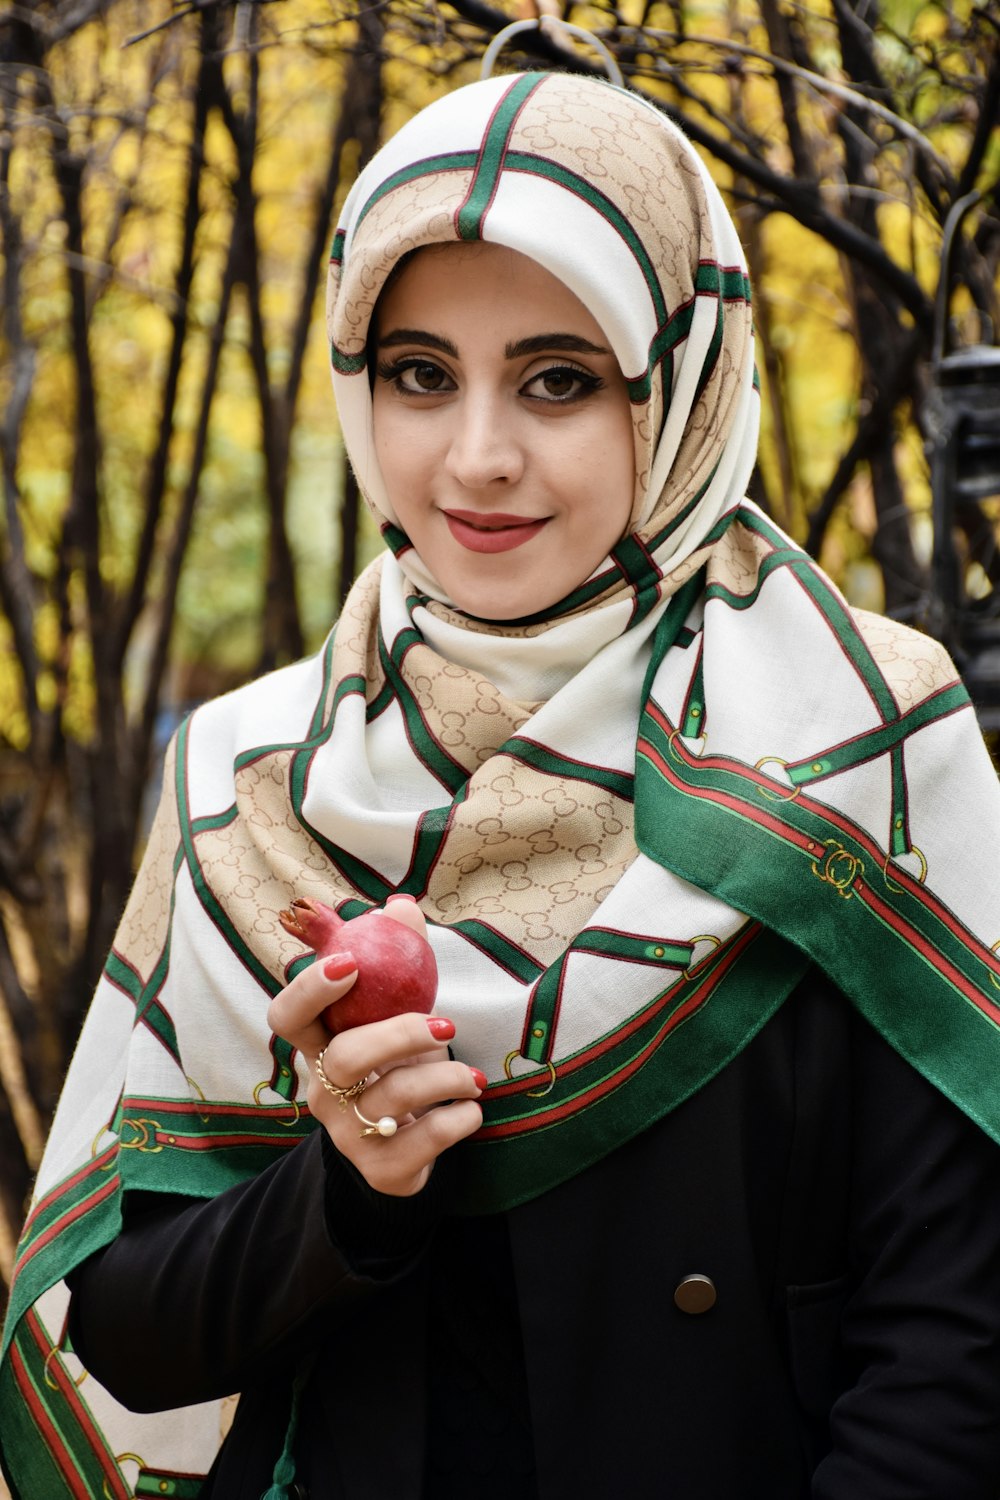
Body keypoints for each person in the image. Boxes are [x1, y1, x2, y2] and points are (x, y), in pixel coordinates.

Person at [4, 63, 1000, 1500]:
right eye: (418, 375)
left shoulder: (856, 737)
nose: (476, 458)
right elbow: (136, 1333)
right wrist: (343, 1181)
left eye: (560, 379)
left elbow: (955, 1346)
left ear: (683, 387)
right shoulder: (255, 781)